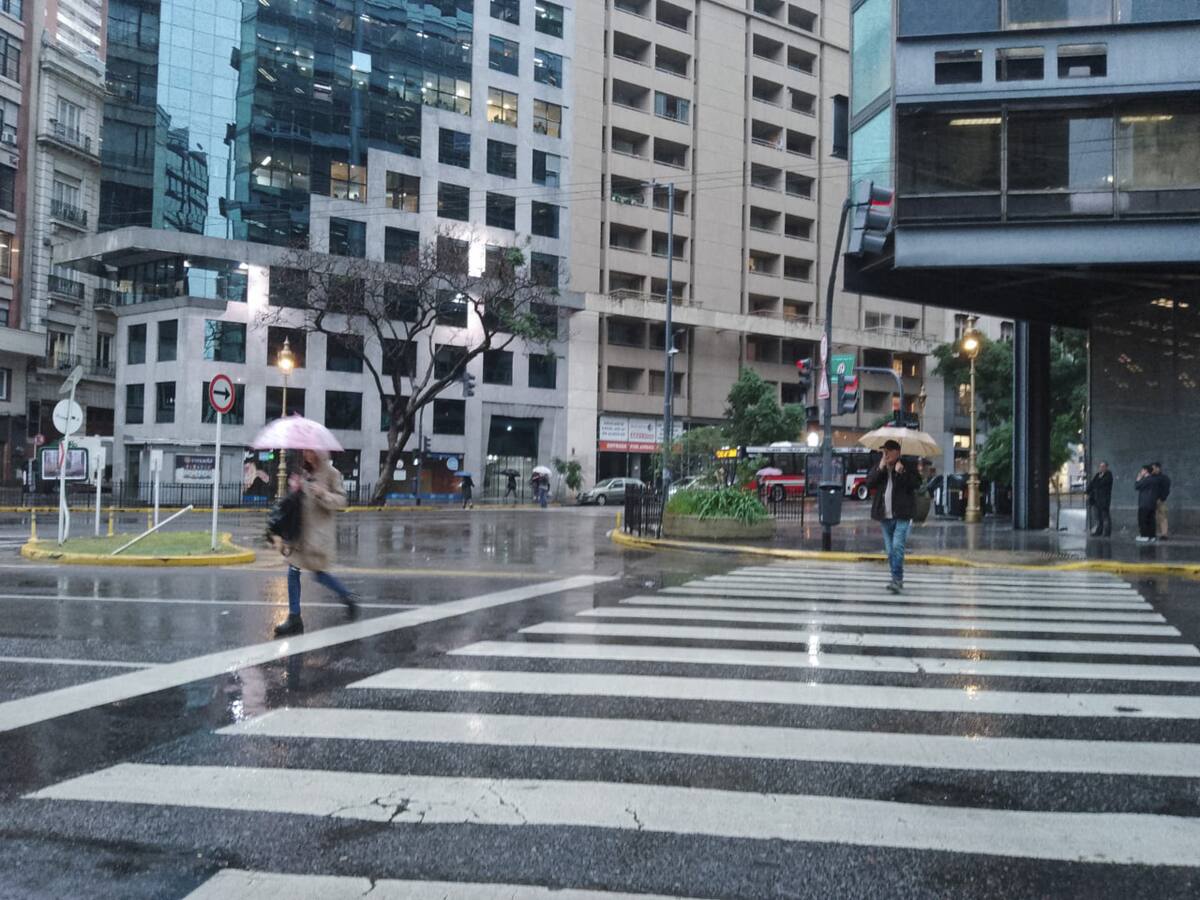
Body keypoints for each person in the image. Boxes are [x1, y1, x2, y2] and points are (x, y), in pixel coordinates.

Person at [273, 449, 358, 637]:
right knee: (292, 571)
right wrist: (295, 489)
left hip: (317, 536)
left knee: (319, 575)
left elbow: (342, 501)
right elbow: (300, 501)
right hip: (300, 534)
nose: (306, 454)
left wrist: (323, 494)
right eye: (304, 450)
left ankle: (347, 596)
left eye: (310, 450)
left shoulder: (331, 473)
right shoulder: (306, 471)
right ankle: (294, 618)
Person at [865, 439, 921, 593]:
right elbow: (869, 483)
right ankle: (895, 578)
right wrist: (880, 469)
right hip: (885, 516)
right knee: (890, 551)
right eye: (884, 451)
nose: (886, 454)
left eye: (889, 451)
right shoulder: (880, 466)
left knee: (897, 547)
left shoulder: (907, 465)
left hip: (902, 515)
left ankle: (897, 579)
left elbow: (916, 484)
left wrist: (901, 472)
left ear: (897, 452)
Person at [1134, 464, 1164, 544]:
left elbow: (1137, 486)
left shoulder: (1146, 480)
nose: (1141, 472)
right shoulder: (1155, 480)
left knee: (1143, 520)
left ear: (1146, 471)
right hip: (1152, 503)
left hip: (1144, 503)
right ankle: (1152, 536)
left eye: (1142, 470)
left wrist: (1138, 479)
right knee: (1151, 520)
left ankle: (1144, 536)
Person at [1086, 461, 1113, 537]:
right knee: (1098, 517)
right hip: (1096, 500)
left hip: (1104, 500)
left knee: (1105, 517)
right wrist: (1088, 492)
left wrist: (1098, 481)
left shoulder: (1108, 475)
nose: (1101, 468)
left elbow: (1100, 484)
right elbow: (1092, 484)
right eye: (1100, 466)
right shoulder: (1098, 475)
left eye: (1103, 466)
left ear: (1106, 467)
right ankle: (1099, 531)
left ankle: (1107, 533)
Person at [1152, 462, 1170, 541]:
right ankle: (1154, 533)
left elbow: (1166, 490)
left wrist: (1161, 499)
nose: (1151, 470)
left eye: (1153, 468)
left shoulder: (1164, 478)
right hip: (1151, 500)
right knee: (1154, 517)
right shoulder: (1151, 477)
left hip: (1160, 500)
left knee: (1162, 517)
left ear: (1158, 468)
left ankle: (1164, 534)